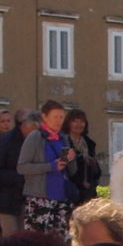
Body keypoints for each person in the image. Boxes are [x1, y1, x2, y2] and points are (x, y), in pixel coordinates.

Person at [17, 100, 79, 237]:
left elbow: (72, 171)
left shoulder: (64, 138)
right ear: (44, 117)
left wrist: (72, 159)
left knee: (62, 241)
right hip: (40, 197)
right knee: (38, 242)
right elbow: (22, 167)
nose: (59, 121)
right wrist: (50, 166)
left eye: (61, 117)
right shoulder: (35, 137)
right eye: (55, 117)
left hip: (62, 198)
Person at [0, 108, 27, 238]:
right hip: (0, 193)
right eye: (2, 121)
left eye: (8, 121)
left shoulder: (18, 139)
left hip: (18, 193)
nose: (6, 124)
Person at [61, 109, 103, 201]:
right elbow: (62, 163)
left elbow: (96, 172)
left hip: (87, 190)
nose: (78, 125)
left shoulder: (89, 143)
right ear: (68, 123)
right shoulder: (62, 141)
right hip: (69, 188)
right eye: (75, 121)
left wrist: (92, 163)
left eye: (82, 121)